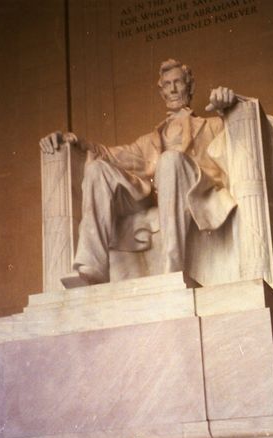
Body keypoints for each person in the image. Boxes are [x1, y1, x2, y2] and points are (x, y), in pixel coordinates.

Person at [39, 59, 238, 285]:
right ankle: (92, 267)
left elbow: (237, 140)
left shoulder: (212, 126)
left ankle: (172, 269)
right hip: (152, 195)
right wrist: (75, 141)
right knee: (97, 170)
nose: (172, 89)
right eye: (167, 84)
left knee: (170, 160)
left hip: (194, 189)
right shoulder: (150, 141)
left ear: (189, 87)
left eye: (178, 83)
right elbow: (110, 154)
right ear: (161, 91)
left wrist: (230, 106)